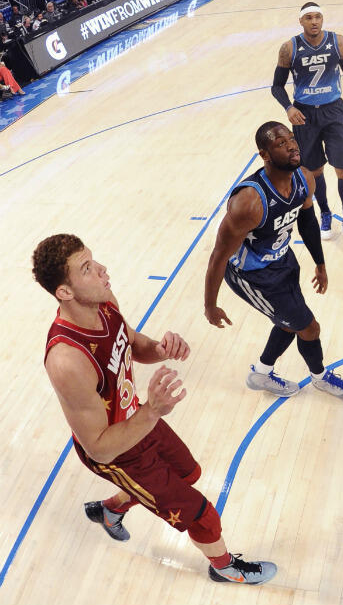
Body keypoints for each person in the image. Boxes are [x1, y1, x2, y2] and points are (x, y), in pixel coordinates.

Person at [32, 234, 276, 585]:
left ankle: (110, 510)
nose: (102, 271)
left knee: (188, 473)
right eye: (87, 269)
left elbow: (130, 343)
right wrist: (151, 411)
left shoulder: (104, 302)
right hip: (116, 452)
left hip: (138, 420)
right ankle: (224, 568)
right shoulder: (66, 360)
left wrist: (162, 349)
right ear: (65, 292)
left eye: (94, 260)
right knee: (202, 515)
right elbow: (98, 447)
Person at [204, 121, 343, 400]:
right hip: (252, 276)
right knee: (308, 327)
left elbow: (307, 221)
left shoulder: (304, 177)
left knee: (289, 322)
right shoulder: (249, 202)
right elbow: (218, 258)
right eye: (280, 143)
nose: (291, 145)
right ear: (265, 155)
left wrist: (320, 264)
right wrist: (210, 305)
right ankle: (320, 378)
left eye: (291, 139)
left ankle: (261, 373)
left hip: (283, 261)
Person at [272, 2, 343, 248]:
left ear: (323, 19)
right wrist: (289, 108)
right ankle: (326, 213)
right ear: (301, 21)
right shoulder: (289, 48)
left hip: (334, 111)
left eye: (317, 17)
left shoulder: (338, 41)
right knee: (315, 171)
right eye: (308, 18)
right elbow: (276, 86)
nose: (314, 22)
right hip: (305, 115)